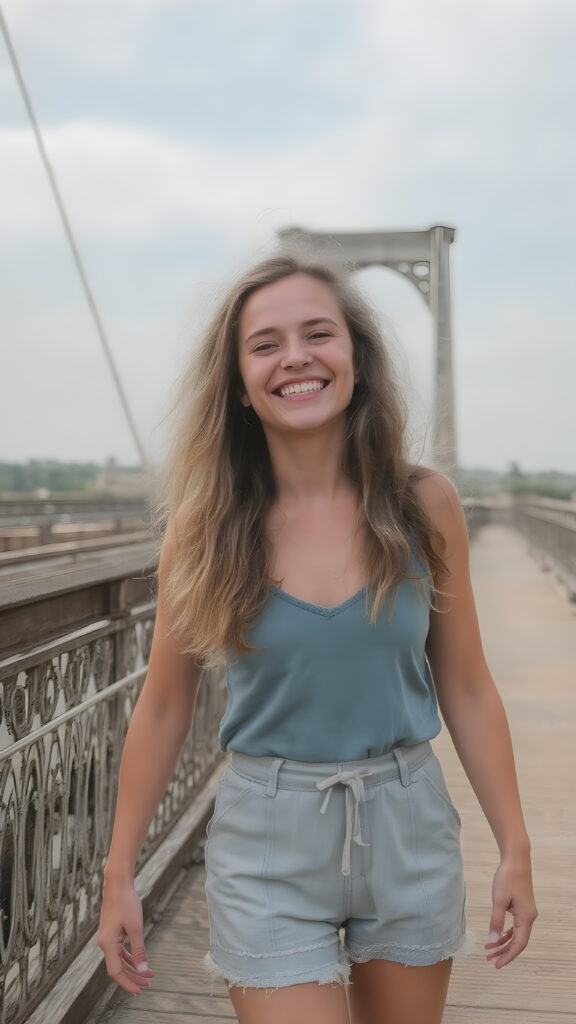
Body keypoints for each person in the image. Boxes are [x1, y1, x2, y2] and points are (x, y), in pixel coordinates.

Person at [97, 254, 537, 1024]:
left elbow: (466, 684)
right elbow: (164, 707)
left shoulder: (425, 506)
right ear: (238, 383)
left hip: (407, 825)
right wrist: (118, 871)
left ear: (356, 361)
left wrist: (515, 846)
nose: (295, 357)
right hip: (268, 839)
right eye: (265, 343)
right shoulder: (203, 532)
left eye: (317, 334)